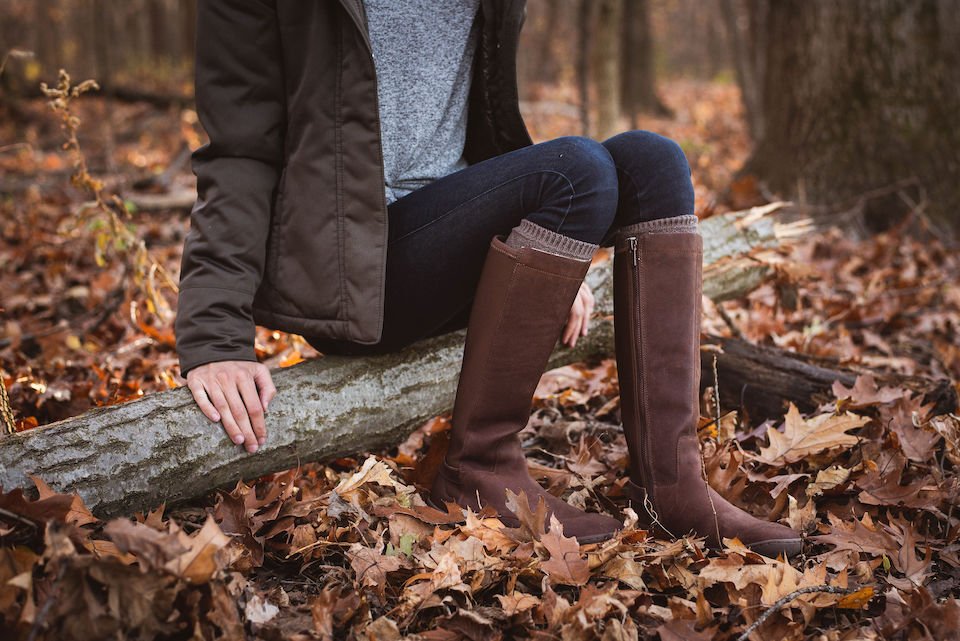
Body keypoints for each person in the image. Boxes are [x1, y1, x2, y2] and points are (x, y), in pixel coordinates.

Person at [176, 0, 801, 556]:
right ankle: (479, 468)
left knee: (653, 161)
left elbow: (483, 125)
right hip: (354, 275)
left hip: (453, 242)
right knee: (576, 169)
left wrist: (548, 249)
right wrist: (214, 339)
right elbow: (237, 153)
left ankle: (673, 485)